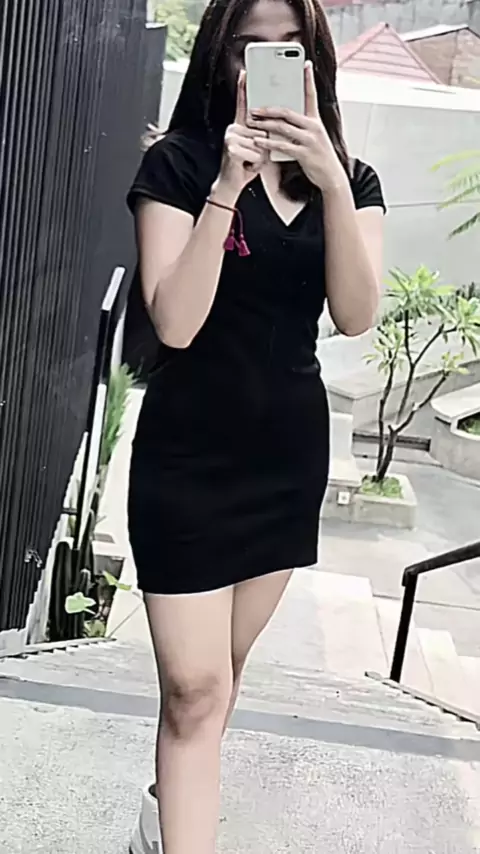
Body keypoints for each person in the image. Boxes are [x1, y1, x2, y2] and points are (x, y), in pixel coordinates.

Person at [127, 0, 385, 852]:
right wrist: (226, 189)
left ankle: (164, 809)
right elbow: (175, 323)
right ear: (221, 58)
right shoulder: (178, 165)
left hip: (284, 460)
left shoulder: (352, 180)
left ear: (315, 63)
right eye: (250, 47)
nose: (269, 63)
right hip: (187, 458)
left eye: (290, 48)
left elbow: (356, 314)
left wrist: (332, 180)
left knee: (220, 678)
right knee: (195, 689)